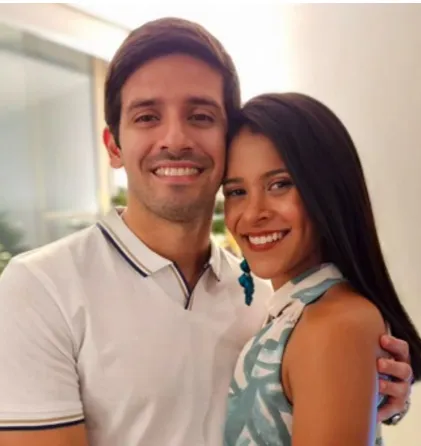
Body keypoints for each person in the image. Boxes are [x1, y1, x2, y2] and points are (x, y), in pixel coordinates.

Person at [0, 17, 413, 446]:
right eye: (147, 117)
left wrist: (369, 391)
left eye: (200, 116)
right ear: (113, 146)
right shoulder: (41, 289)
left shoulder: (269, 302)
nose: (175, 138)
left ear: (226, 139)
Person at [222, 92, 421, 445]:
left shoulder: (335, 323)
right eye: (236, 191)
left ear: (326, 190)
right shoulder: (294, 312)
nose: (253, 213)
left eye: (280, 184)